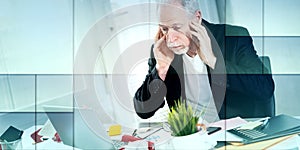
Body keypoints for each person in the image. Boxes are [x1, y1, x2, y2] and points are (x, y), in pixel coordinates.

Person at [133, 0, 275, 122]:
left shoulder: (233, 38)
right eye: (164, 29)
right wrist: (161, 69)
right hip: (192, 138)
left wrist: (214, 61)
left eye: (177, 27)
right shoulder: (161, 49)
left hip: (233, 135)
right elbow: (143, 110)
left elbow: (265, 88)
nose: (170, 39)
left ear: (197, 18)